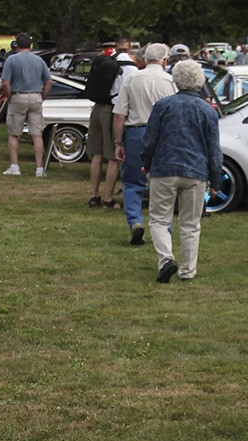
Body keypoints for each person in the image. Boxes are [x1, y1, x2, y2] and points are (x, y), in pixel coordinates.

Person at [141, 59, 222, 284]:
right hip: (195, 172)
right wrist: (216, 181)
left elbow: (150, 140)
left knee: (158, 219)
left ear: (176, 79)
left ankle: (166, 259)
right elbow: (214, 150)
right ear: (200, 80)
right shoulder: (208, 111)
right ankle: (188, 270)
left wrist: (146, 162)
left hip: (164, 168)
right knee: (190, 224)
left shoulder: (163, 106)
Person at [112, 43, 176, 245]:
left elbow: (119, 115)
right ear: (164, 60)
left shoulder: (132, 78)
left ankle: (135, 221)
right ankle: (165, 226)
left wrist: (118, 142)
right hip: (163, 134)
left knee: (132, 181)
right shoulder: (171, 81)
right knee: (164, 182)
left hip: (136, 131)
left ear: (145, 59)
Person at [84, 35, 138, 208]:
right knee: (113, 156)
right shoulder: (130, 66)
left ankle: (94, 196)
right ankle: (108, 198)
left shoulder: (106, 61)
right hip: (111, 109)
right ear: (129, 49)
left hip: (97, 108)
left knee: (97, 155)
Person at [1, 32, 53, 176]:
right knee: (37, 134)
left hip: (18, 95)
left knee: (14, 133)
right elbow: (49, 81)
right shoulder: (39, 60)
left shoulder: (12, 60)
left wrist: (9, 96)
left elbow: (5, 82)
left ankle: (15, 166)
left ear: (16, 45)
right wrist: (42, 96)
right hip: (36, 96)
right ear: (30, 45)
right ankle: (39, 168)